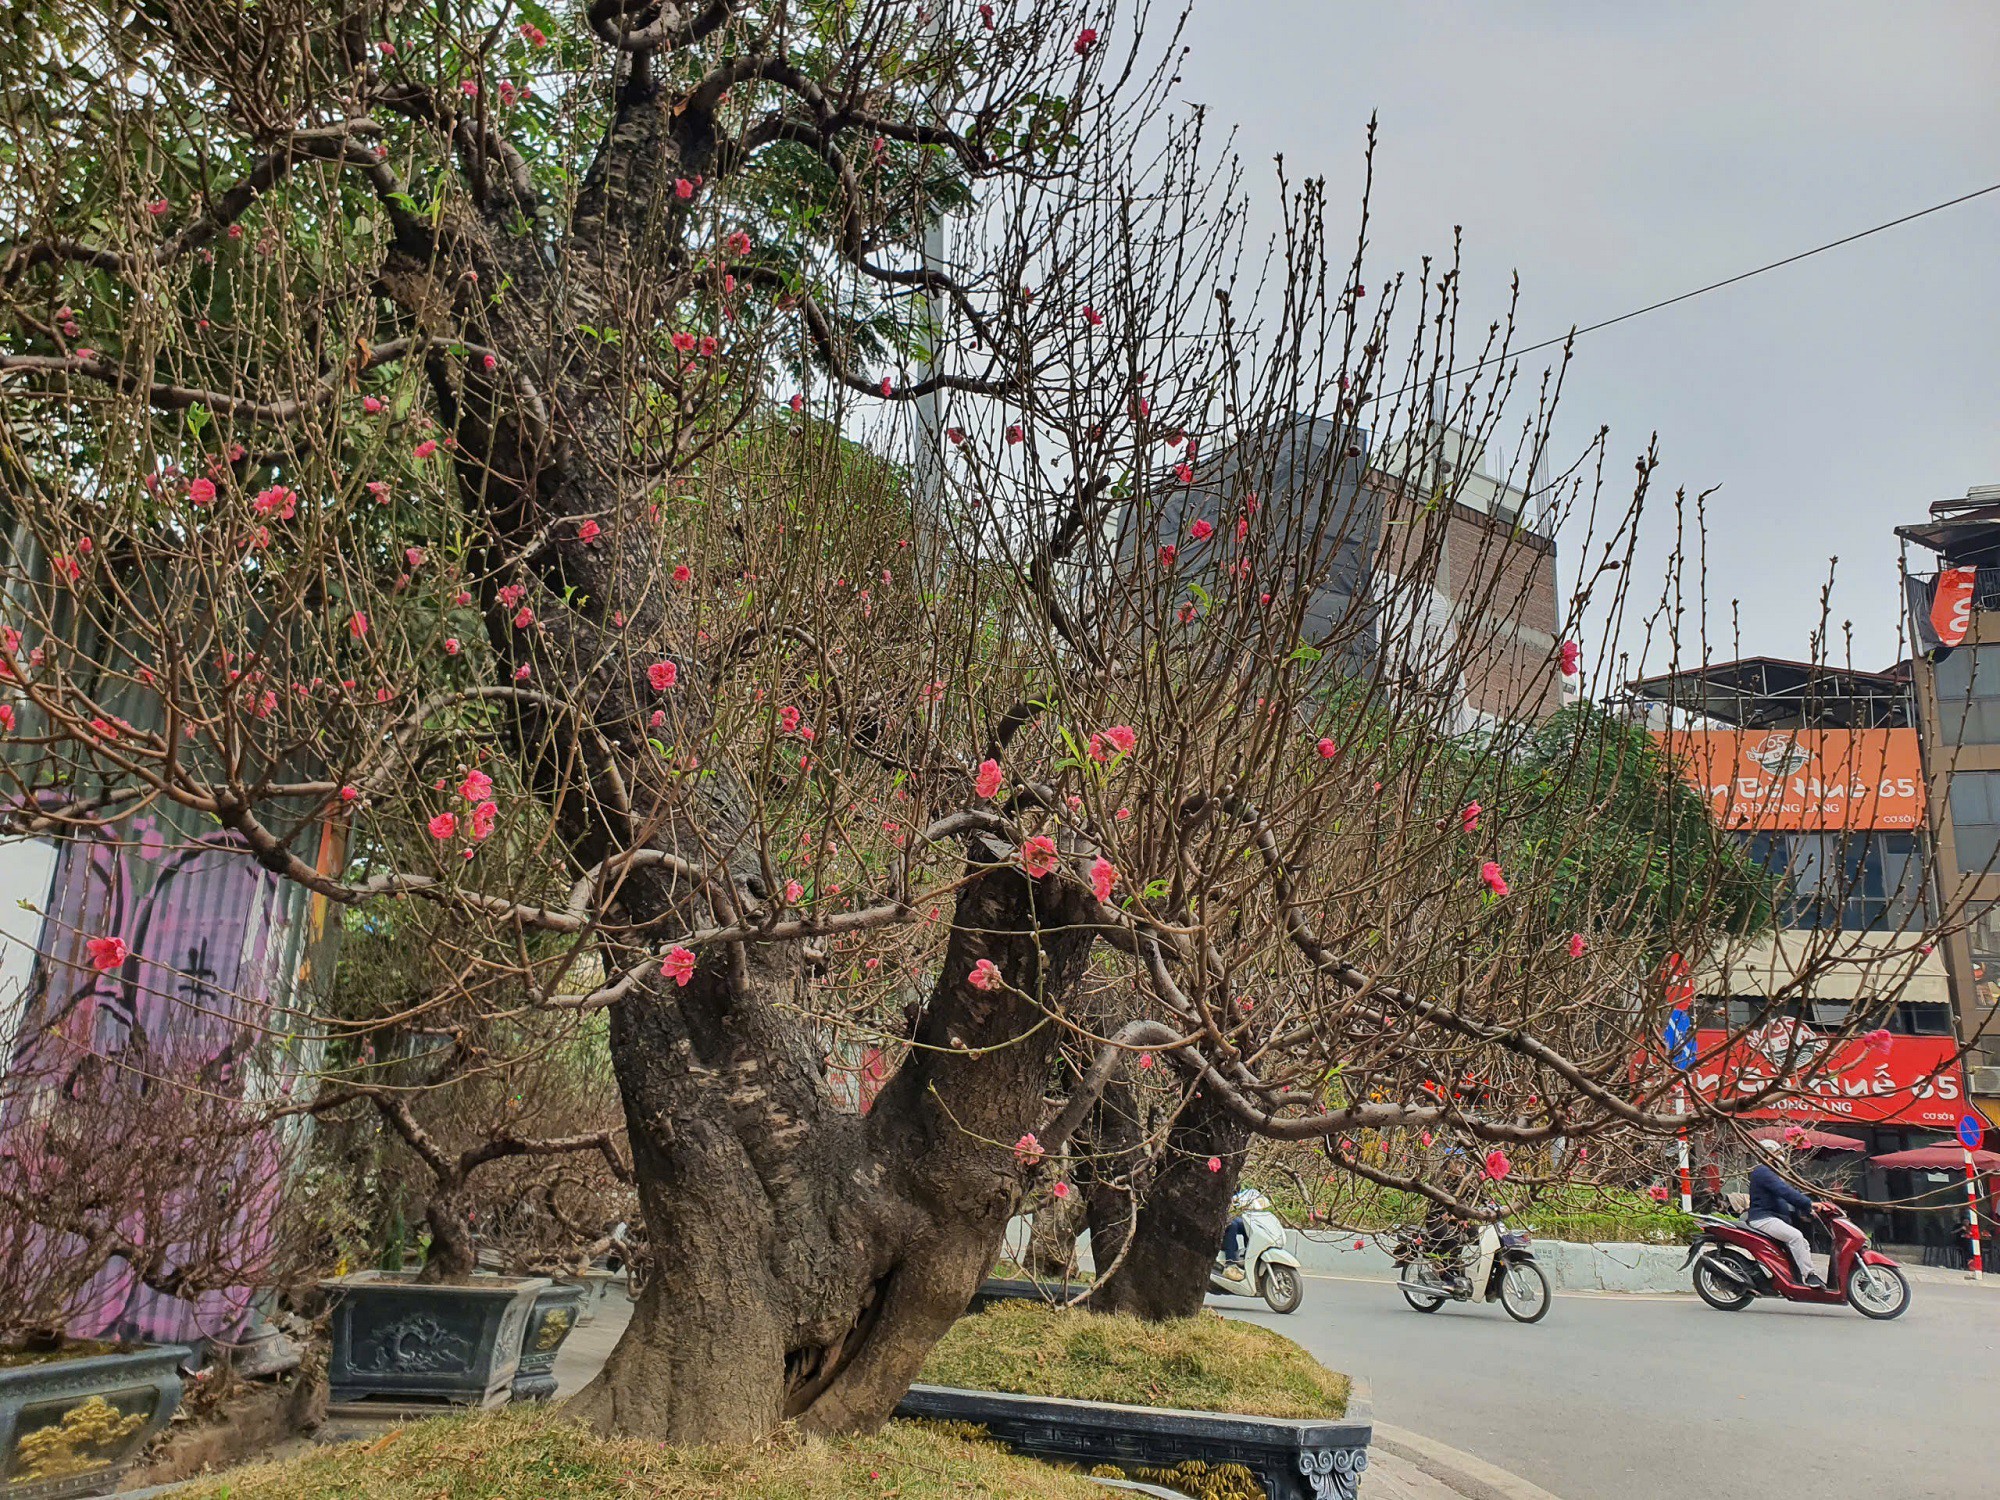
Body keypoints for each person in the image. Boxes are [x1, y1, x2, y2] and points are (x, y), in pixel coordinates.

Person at [1747, 1138, 1822, 1287]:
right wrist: (1809, 1203)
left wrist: (1807, 1209)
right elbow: (1785, 1192)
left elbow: (1787, 1195)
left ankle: (1796, 1278)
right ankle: (1810, 1277)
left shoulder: (1770, 1173)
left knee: (1803, 1243)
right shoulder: (1763, 1171)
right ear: (1768, 1154)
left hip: (1772, 1218)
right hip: (1764, 1218)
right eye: (1777, 1153)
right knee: (1796, 1237)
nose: (1779, 1156)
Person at [1220, 1188, 1255, 1281]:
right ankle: (1230, 1263)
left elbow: (1240, 1193)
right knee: (1232, 1225)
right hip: (1214, 1214)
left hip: (1226, 1213)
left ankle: (1250, 1257)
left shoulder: (1233, 1178)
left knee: (1246, 1224)